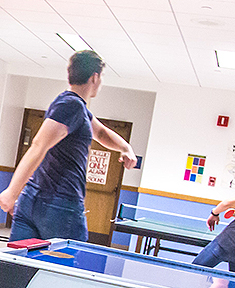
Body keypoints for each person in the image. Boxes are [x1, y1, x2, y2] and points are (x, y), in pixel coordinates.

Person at [0, 50, 137, 242]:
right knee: (61, 270)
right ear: (95, 77)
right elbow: (39, 145)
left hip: (33, 199)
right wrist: (11, 192)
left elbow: (101, 133)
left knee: (21, 267)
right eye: (102, 77)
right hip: (60, 206)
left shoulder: (76, 108)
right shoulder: (70, 106)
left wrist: (125, 147)